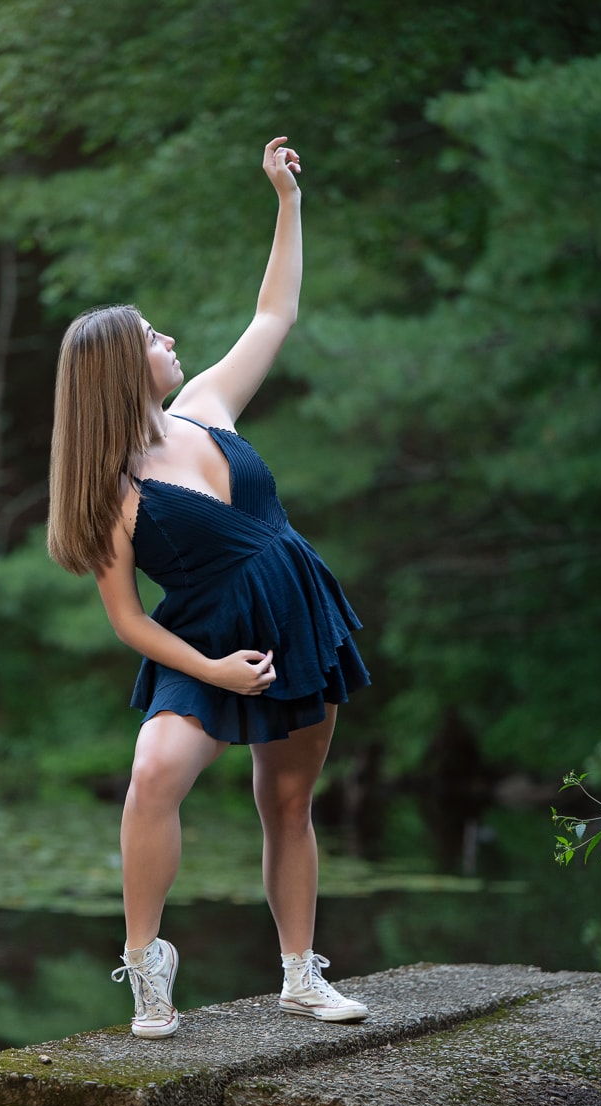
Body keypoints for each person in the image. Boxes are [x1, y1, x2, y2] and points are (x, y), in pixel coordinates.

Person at [48, 136, 371, 1039]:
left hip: (298, 616)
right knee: (153, 774)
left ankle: (301, 975)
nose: (170, 339)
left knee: (289, 800)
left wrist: (286, 199)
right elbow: (126, 620)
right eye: (153, 335)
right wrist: (215, 671)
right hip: (203, 644)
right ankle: (148, 967)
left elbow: (276, 313)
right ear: (121, 367)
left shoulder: (206, 409)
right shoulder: (111, 491)